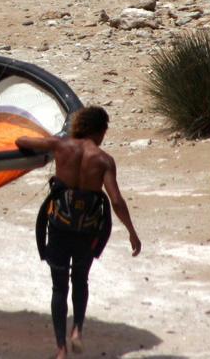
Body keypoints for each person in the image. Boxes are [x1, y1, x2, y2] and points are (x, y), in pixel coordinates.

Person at [16, 106, 142, 359]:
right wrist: (131, 232)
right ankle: (77, 332)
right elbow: (116, 200)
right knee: (81, 280)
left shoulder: (61, 146)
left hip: (60, 227)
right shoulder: (104, 160)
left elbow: (22, 141)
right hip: (87, 231)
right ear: (100, 131)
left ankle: (61, 350)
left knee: (58, 288)